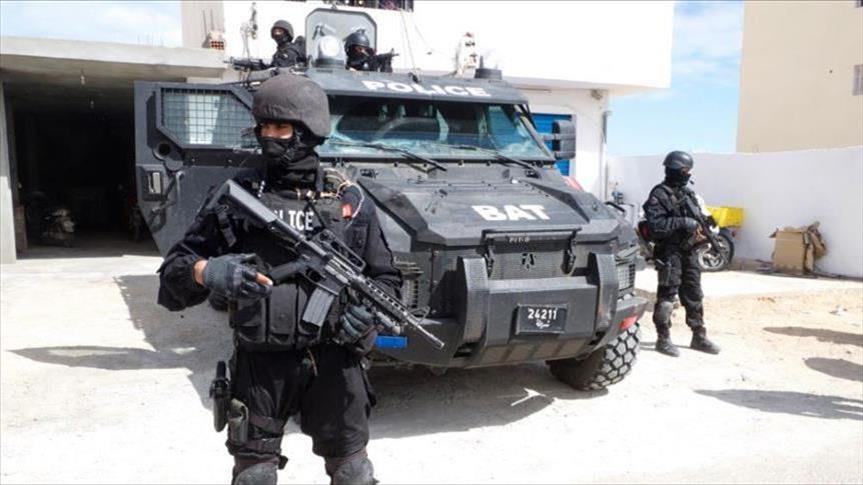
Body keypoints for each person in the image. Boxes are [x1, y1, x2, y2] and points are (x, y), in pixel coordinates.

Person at [157, 73, 400, 485]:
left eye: (281, 128)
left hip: (336, 363)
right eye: (264, 127)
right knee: (254, 476)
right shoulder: (238, 197)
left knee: (354, 473)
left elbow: (386, 279)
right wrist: (208, 271)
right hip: (261, 366)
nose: (269, 137)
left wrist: (367, 316)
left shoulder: (349, 201)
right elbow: (172, 277)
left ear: (308, 131)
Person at [642, 150, 721, 357]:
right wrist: (683, 222)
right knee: (667, 296)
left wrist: (707, 224)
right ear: (675, 169)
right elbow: (656, 226)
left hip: (689, 252)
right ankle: (663, 338)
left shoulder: (689, 194)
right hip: (670, 253)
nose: (688, 174)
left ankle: (699, 336)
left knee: (694, 294)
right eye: (685, 170)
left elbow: (701, 217)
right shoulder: (659, 195)